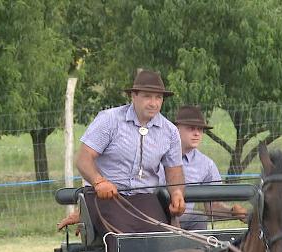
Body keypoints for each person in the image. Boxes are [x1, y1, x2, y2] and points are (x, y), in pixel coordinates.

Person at [57, 70, 185, 233]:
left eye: (158, 97)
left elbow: (174, 170)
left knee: (160, 238)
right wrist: (99, 182)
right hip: (106, 197)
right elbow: (83, 159)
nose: (154, 103)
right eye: (147, 96)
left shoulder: (170, 131)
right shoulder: (109, 120)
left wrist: (177, 193)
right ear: (133, 96)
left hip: (144, 197)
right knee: (124, 239)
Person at [160, 105, 246, 230]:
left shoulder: (206, 165)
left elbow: (213, 207)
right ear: (176, 129)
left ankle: (200, 249)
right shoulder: (158, 154)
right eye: (191, 128)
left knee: (198, 218)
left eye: (200, 129)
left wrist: (233, 212)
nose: (196, 133)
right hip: (156, 216)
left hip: (185, 219)